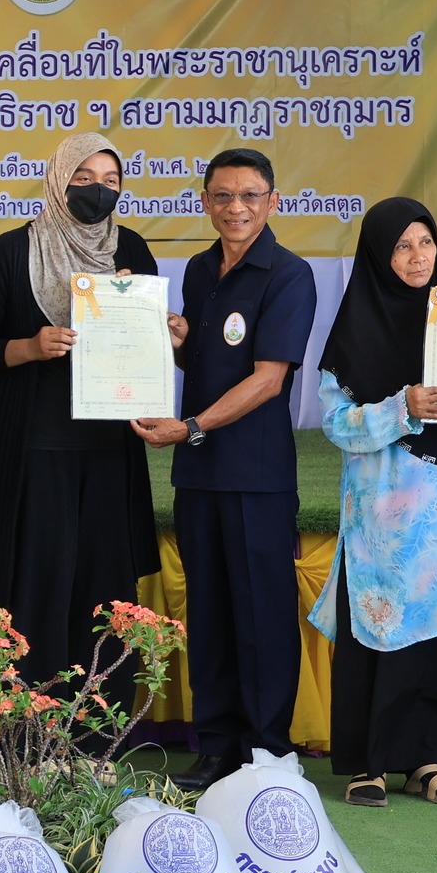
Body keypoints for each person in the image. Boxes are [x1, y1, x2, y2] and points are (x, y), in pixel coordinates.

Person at [310, 198, 437, 807]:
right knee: (381, 628)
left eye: (425, 241)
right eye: (401, 246)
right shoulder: (357, 328)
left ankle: (431, 758)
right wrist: (403, 408)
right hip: (386, 515)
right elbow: (336, 423)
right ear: (378, 254)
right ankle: (368, 764)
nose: (416, 257)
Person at [132, 147, 317, 792]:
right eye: (222, 196)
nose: (235, 208)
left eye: (248, 196)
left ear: (272, 202)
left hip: (256, 473)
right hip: (199, 471)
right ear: (206, 202)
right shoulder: (198, 272)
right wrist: (180, 348)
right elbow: (208, 367)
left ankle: (268, 750)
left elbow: (268, 380)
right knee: (208, 609)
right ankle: (216, 746)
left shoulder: (288, 275)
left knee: (261, 613)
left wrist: (193, 427)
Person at [0, 131, 160, 692]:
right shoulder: (9, 252)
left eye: (110, 181)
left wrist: (159, 327)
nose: (98, 191)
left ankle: (99, 736)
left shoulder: (131, 249)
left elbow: (144, 346)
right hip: (34, 452)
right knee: (39, 590)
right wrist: (29, 346)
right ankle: (33, 734)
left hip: (110, 452)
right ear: (57, 179)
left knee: (108, 594)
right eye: (84, 178)